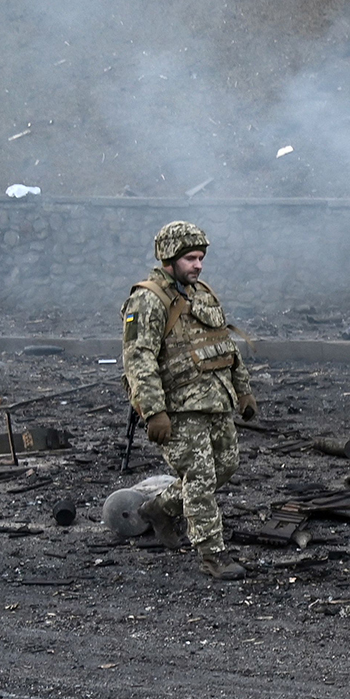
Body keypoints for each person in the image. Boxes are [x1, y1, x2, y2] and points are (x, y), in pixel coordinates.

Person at [121, 220, 254, 581]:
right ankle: (213, 556)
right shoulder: (147, 300)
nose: (198, 265)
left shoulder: (202, 292)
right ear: (169, 258)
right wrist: (154, 412)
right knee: (199, 479)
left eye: (201, 258)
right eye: (191, 258)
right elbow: (139, 359)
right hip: (179, 409)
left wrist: (243, 390)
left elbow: (225, 345)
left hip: (216, 401)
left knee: (225, 466)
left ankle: (159, 509)